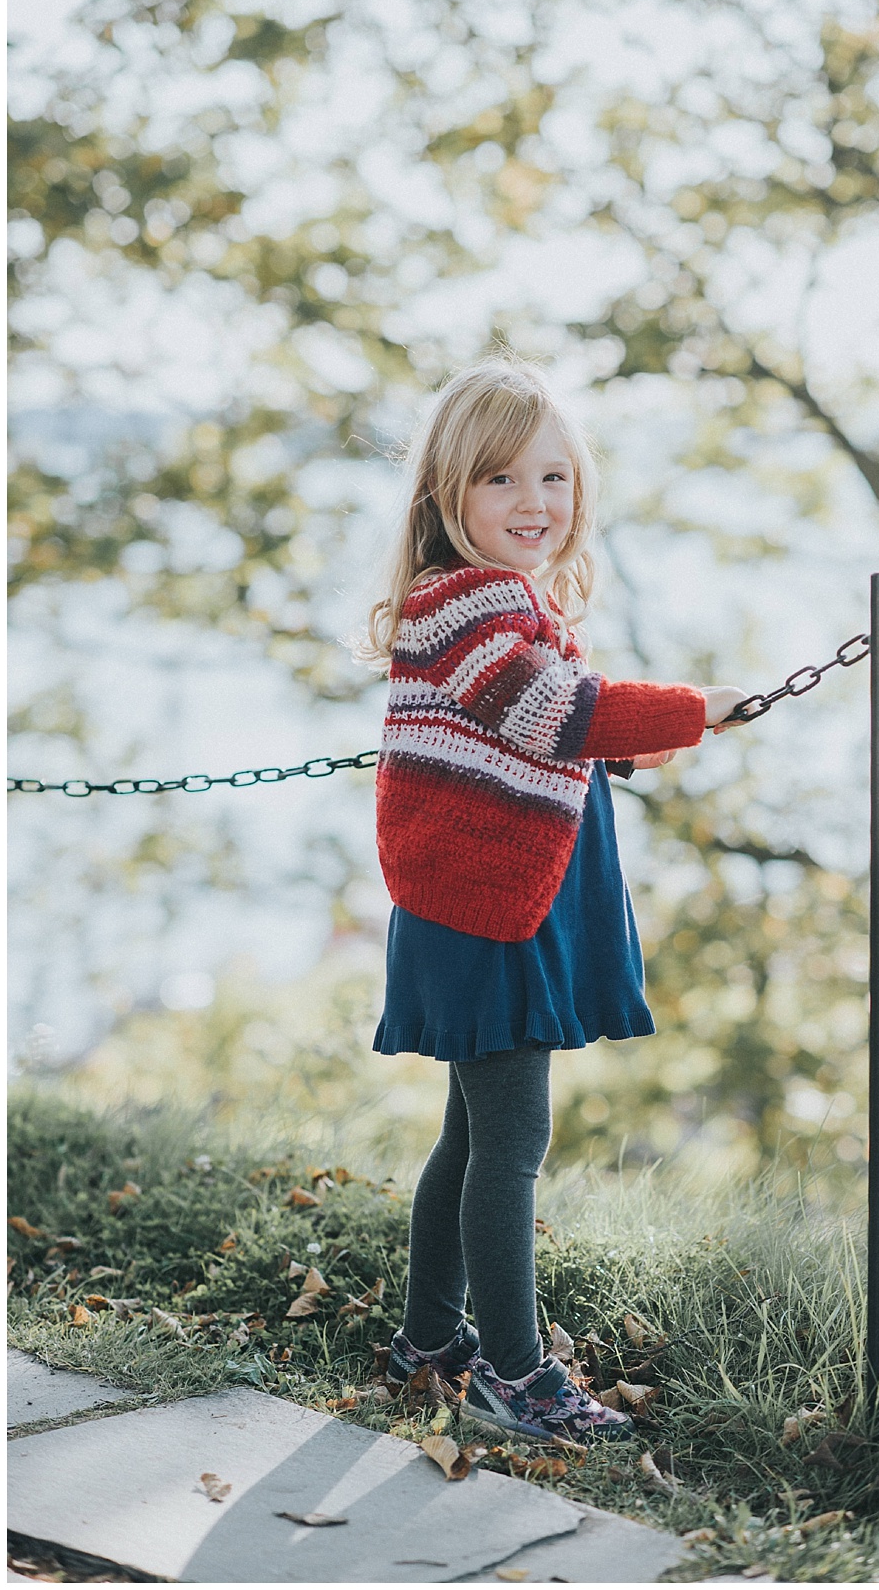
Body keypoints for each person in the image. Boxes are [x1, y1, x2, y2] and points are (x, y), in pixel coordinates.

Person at [355, 358, 750, 1443]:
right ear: (446, 497)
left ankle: (430, 1340)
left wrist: (613, 751)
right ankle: (515, 1376)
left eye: (554, 478)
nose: (533, 504)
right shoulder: (466, 602)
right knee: (511, 1144)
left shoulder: (496, 599)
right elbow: (543, 708)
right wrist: (693, 711)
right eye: (500, 482)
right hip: (487, 916)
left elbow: (527, 731)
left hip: (494, 901)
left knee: (469, 1136)